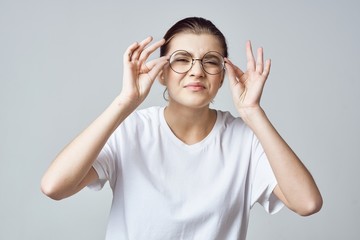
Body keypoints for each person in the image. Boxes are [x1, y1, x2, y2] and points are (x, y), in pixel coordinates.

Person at [41, 17, 322, 240]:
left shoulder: (245, 141)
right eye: (182, 59)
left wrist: (252, 112)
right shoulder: (132, 131)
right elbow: (54, 186)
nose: (196, 71)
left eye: (210, 61)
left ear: (223, 77)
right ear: (161, 72)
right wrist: (124, 103)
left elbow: (307, 203)